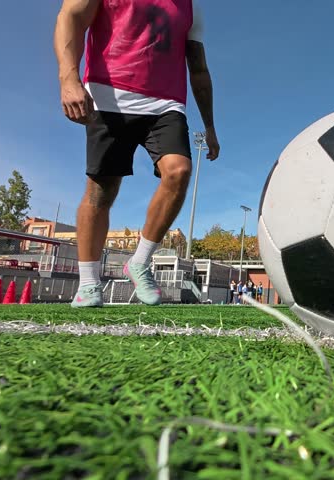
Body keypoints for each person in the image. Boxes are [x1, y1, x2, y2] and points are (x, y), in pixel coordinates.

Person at [56, 0, 219, 308]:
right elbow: (72, 16)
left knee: (179, 171)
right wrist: (68, 78)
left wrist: (210, 126)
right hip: (108, 96)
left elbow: (198, 69)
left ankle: (140, 262)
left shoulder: (190, 8)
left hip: (165, 105)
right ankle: (89, 283)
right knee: (101, 191)